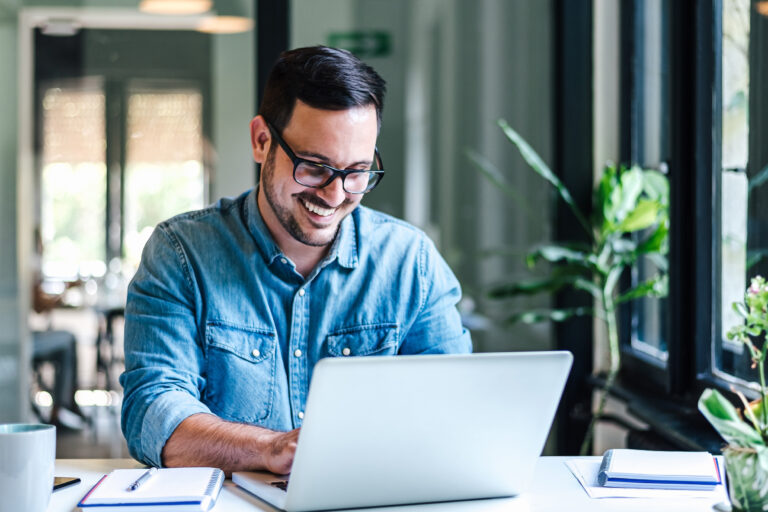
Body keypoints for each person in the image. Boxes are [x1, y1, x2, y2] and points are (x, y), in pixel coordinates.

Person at [120, 46, 472, 475]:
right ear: (261, 140)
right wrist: (270, 450)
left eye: (357, 171)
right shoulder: (180, 254)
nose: (335, 193)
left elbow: (455, 409)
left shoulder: (409, 262)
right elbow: (152, 412)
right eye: (314, 166)